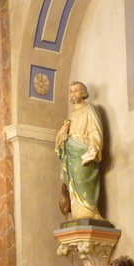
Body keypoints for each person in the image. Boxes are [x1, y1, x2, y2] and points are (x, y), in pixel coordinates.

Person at [55, 81, 103, 220]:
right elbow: (61, 137)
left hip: (83, 151)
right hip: (71, 153)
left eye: (76, 90)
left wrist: (93, 148)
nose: (73, 94)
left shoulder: (89, 109)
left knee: (83, 182)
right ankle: (77, 213)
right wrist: (64, 137)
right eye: (71, 91)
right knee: (73, 184)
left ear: (83, 93)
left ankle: (89, 212)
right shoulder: (72, 115)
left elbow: (95, 131)